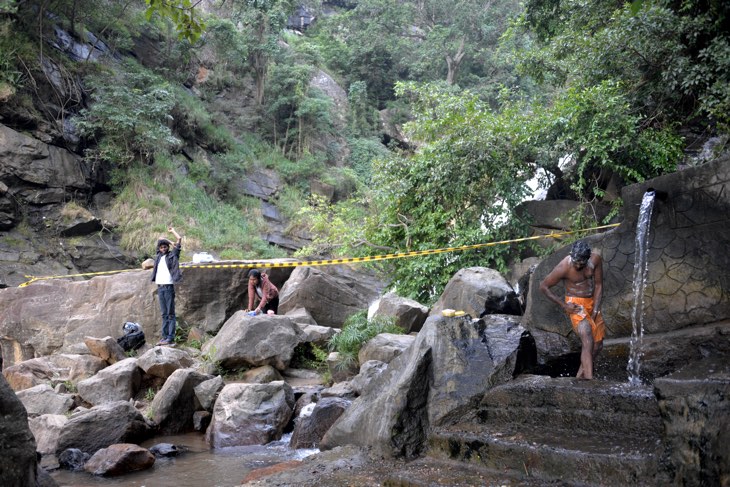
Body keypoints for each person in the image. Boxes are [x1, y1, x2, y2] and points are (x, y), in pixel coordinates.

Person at [539, 240, 605, 380]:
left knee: (598, 345)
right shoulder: (564, 266)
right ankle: (590, 380)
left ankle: (580, 376)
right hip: (575, 304)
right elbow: (543, 286)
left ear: (587, 259)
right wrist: (564, 305)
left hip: (592, 303)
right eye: (575, 262)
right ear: (571, 255)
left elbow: (599, 285)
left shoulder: (596, 260)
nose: (578, 265)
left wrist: (595, 309)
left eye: (581, 263)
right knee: (587, 338)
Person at [150, 227, 182, 346]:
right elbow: (160, 239)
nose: (163, 248)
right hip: (160, 287)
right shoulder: (158, 256)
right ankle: (164, 337)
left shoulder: (172, 255)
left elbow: (179, 239)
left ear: (168, 248)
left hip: (168, 287)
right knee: (164, 314)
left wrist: (172, 233)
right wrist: (164, 240)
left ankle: (170, 337)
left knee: (170, 314)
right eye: (161, 247)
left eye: (165, 247)